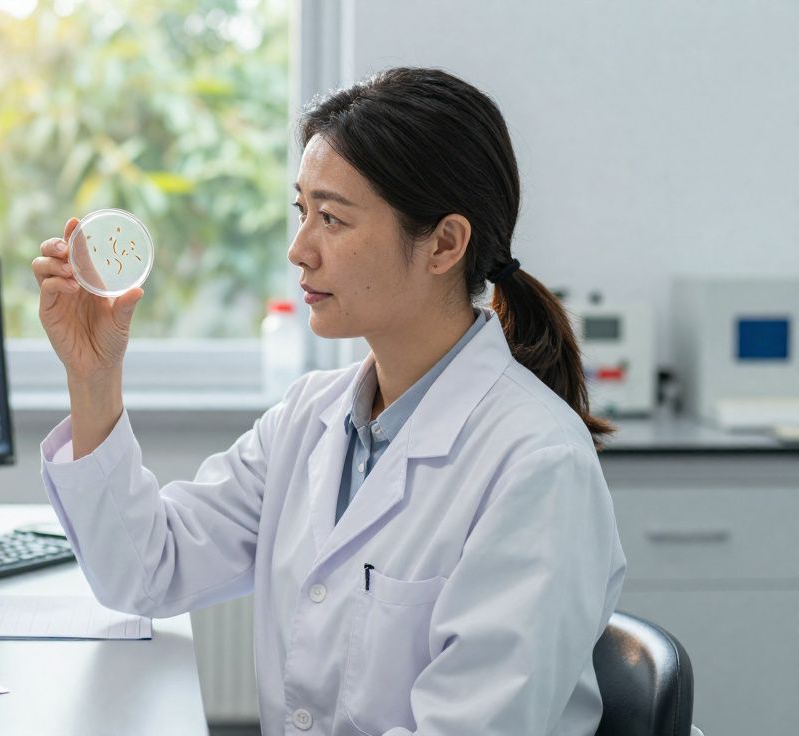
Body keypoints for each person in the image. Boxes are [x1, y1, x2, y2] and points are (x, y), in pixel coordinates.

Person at [30, 67, 625, 736]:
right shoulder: (310, 419)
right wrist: (93, 375)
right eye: (302, 210)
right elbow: (145, 571)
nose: (299, 250)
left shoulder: (537, 466)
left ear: (445, 244)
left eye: (333, 218)